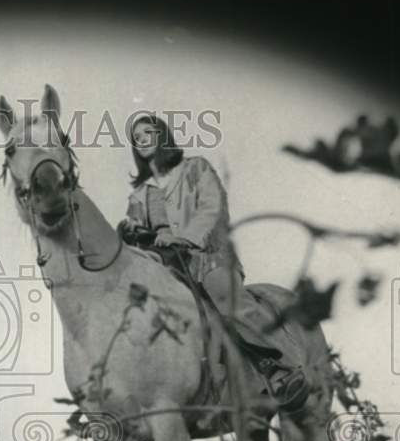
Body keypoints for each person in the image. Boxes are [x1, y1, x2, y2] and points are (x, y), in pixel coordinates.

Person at [119, 114, 309, 411]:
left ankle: (285, 368)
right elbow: (138, 236)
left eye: (147, 132)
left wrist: (183, 237)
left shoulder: (195, 169)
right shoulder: (139, 194)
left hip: (206, 257)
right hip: (167, 269)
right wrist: (131, 231)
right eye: (136, 136)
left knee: (228, 300)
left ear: (163, 135)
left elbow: (213, 208)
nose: (141, 139)